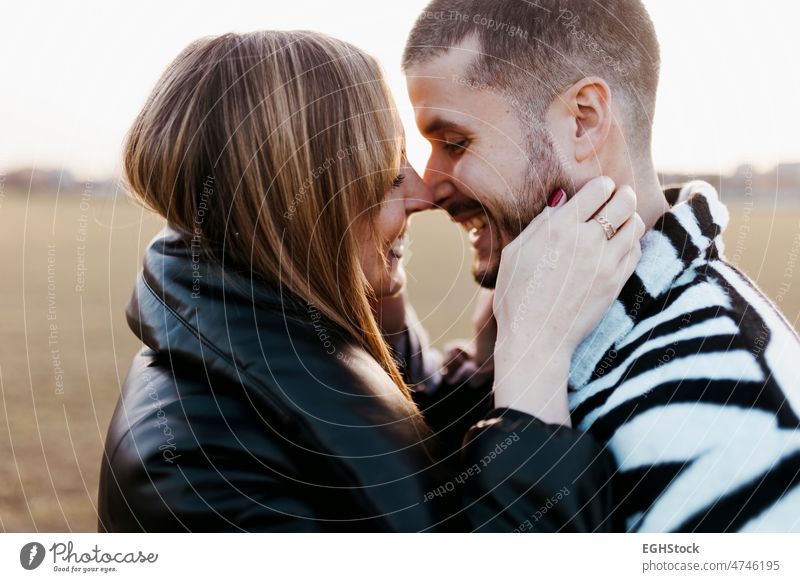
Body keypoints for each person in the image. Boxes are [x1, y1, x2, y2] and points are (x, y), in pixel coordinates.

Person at [97, 30, 644, 532]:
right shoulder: (200, 472)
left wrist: (484, 366)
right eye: (386, 175)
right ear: (303, 209)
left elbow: (405, 447)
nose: (424, 194)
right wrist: (536, 365)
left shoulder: (280, 341)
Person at [403, 0, 800, 532]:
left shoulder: (732, 410)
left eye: (455, 142)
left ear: (583, 121)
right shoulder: (554, 331)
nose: (428, 188)